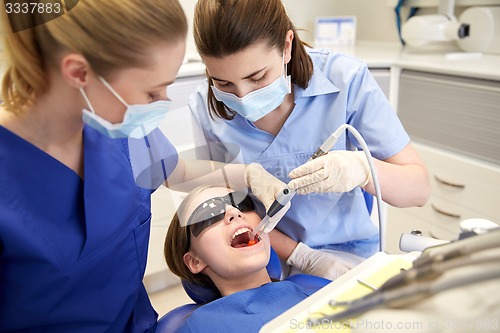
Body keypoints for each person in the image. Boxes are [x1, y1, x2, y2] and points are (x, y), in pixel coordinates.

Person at [0, 1, 286, 331]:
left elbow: (175, 173)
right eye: (152, 92)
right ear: (79, 73)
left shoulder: (122, 130)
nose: (164, 102)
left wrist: (248, 175)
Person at [189, 0, 431, 280]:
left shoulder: (345, 79)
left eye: (257, 77)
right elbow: (220, 203)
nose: (243, 97)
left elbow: (419, 188)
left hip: (347, 254)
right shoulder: (203, 106)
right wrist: (299, 255)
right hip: (262, 257)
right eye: (223, 84)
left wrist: (362, 169)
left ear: (287, 45)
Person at [164, 185, 330, 333]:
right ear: (195, 261)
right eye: (210, 213)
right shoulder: (197, 328)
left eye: (242, 204)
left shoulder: (317, 290)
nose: (235, 212)